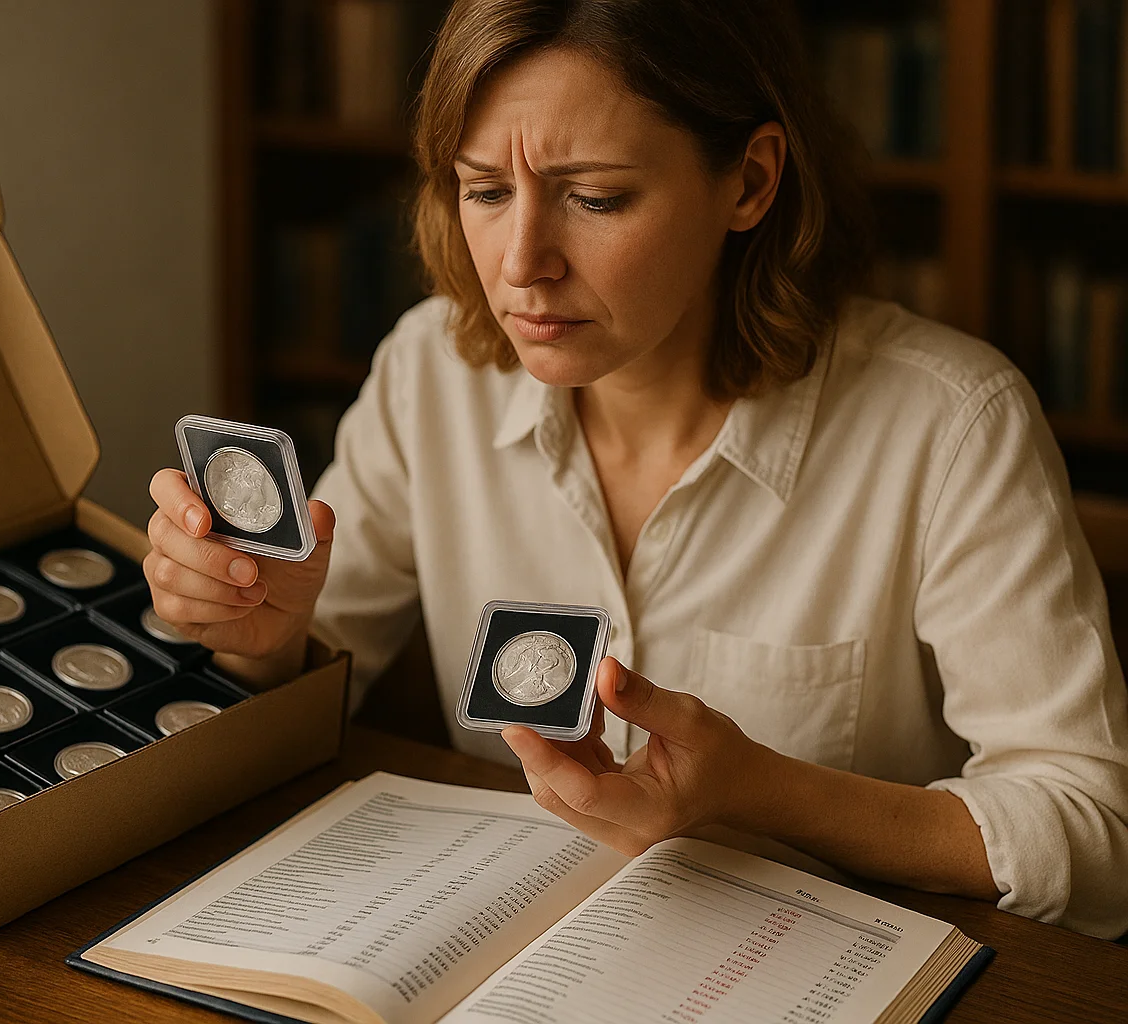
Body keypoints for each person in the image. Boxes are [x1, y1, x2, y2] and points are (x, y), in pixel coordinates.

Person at [145, 0, 1128, 937]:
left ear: (749, 180)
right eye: (484, 189)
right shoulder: (428, 373)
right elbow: (309, 674)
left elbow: (1094, 833)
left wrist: (765, 792)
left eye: (595, 197)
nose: (522, 260)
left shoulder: (950, 422)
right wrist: (260, 636)